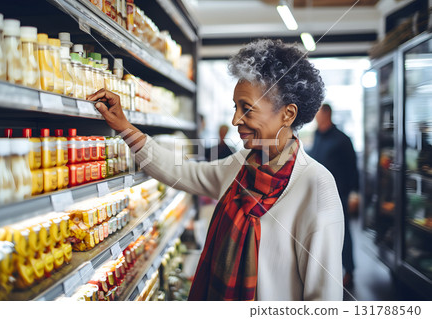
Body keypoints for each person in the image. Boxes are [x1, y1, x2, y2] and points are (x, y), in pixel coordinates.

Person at [87, 39, 344, 301]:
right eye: (235, 107)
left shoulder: (315, 185)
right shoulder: (242, 163)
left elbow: (324, 299)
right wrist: (124, 128)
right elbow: (183, 172)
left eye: (248, 109)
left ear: (288, 114)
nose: (235, 121)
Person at [308, 103, 358, 288]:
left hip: (339, 194)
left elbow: (352, 168)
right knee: (322, 232)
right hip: (318, 194)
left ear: (327, 114)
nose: (316, 117)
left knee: (343, 233)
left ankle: (350, 271)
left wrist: (353, 193)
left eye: (318, 113)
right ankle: (326, 271)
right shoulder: (317, 135)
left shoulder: (343, 140)